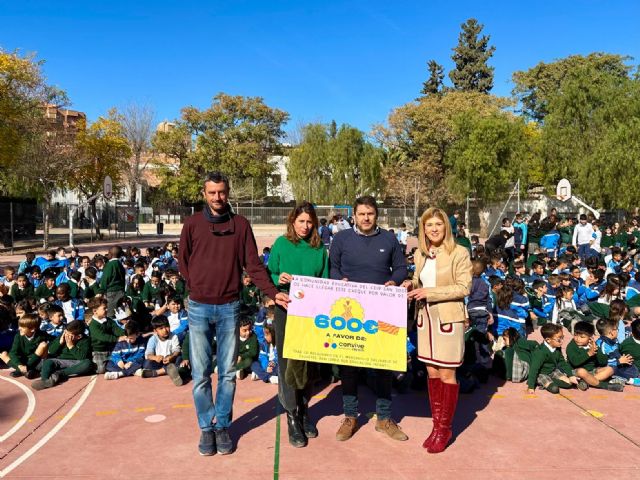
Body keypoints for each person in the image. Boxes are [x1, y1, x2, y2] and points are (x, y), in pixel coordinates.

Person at [178, 171, 289, 456]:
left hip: (229, 307)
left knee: (227, 373)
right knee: (201, 372)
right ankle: (206, 427)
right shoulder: (192, 224)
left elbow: (253, 264)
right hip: (199, 307)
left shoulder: (240, 224)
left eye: (222, 192)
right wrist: (197, 287)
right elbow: (183, 261)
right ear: (204, 194)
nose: (217, 197)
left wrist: (271, 291)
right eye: (212, 192)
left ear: (228, 193)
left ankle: (222, 425)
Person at [330, 196, 408, 442]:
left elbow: (401, 268)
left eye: (370, 214)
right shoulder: (341, 239)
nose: (366, 218)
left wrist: (394, 280)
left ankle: (384, 418)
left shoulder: (389, 239)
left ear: (377, 215)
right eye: (361, 213)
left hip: (381, 310)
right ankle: (350, 416)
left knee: (383, 366)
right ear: (353, 215)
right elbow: (333, 267)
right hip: (350, 312)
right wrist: (338, 279)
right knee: (349, 366)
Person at [405, 207, 472, 453]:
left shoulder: (460, 253)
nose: (434, 229)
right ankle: (435, 425)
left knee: (447, 374)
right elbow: (418, 279)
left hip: (448, 319)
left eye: (438, 224)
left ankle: (445, 428)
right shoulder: (421, 254)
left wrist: (428, 293)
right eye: (429, 225)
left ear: (446, 227)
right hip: (426, 319)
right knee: (432, 373)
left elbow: (464, 287)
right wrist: (409, 284)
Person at [267, 201, 329, 447]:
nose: (305, 226)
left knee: (308, 363)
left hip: (312, 314)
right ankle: (292, 415)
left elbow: (326, 279)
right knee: (287, 363)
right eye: (301, 221)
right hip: (287, 310)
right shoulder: (282, 244)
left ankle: (304, 410)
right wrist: (277, 278)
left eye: (309, 221)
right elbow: (269, 272)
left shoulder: (319, 247)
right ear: (292, 221)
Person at [31, 320, 94, 390]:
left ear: (78, 336)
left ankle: (59, 374)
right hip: (60, 361)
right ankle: (45, 381)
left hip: (75, 363)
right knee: (48, 362)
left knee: (88, 364)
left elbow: (82, 357)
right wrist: (60, 342)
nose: (66, 335)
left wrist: (71, 346)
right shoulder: (63, 336)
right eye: (65, 332)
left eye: (69, 334)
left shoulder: (85, 340)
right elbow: (51, 351)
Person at [566, 321, 623, 391]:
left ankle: (586, 382)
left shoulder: (592, 345)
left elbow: (603, 362)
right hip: (576, 371)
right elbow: (575, 362)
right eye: (575, 335)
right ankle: (605, 385)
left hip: (591, 372)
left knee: (610, 369)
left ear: (590, 337)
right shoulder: (571, 346)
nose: (578, 339)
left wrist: (597, 349)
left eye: (582, 337)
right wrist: (588, 354)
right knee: (582, 371)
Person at [527, 323, 581, 394]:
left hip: (552, 371)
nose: (562, 341)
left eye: (562, 337)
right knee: (554, 389)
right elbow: (534, 369)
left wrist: (571, 375)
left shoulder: (557, 348)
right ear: (548, 340)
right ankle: (540, 382)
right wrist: (530, 386)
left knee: (569, 383)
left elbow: (562, 363)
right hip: (541, 374)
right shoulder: (540, 352)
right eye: (559, 339)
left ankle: (550, 381)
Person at [86, 297, 126, 374]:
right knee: (101, 370)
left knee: (121, 359)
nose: (107, 310)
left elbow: (116, 329)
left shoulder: (109, 320)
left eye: (107, 308)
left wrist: (126, 334)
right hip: (98, 351)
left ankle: (115, 366)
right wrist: (117, 339)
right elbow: (102, 336)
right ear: (95, 311)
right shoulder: (93, 325)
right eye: (104, 308)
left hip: (111, 348)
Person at [141, 315, 184, 386]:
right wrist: (155, 358)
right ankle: (170, 371)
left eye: (167, 327)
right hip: (159, 362)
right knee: (146, 363)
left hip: (170, 361)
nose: (165, 330)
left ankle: (156, 373)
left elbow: (177, 350)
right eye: (161, 328)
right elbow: (148, 354)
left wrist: (171, 357)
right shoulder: (153, 339)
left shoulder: (173, 336)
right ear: (155, 331)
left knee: (179, 359)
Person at [4, 313, 49, 378]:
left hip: (36, 362)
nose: (19, 328)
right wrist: (19, 365)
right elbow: (13, 353)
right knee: (3, 355)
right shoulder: (18, 336)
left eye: (22, 327)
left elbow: (54, 342)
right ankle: (24, 370)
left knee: (43, 345)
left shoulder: (42, 335)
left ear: (32, 329)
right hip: (23, 360)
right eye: (19, 326)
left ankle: (27, 370)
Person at [100, 246, 126, 317]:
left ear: (110, 254)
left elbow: (106, 278)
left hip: (112, 292)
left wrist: (101, 291)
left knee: (110, 314)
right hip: (121, 291)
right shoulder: (120, 264)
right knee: (120, 314)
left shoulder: (110, 265)